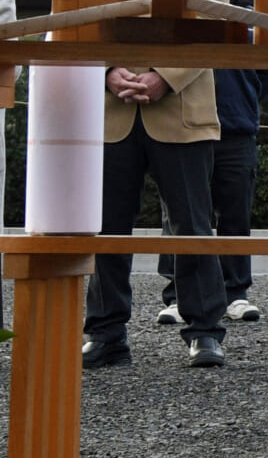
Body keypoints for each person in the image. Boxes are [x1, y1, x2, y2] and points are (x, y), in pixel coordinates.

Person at [85, 66, 228, 369]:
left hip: (183, 106)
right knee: (106, 227)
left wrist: (167, 75)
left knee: (192, 224)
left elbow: (213, 20)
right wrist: (106, 70)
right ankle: (106, 331)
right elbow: (78, 22)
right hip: (109, 110)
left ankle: (204, 329)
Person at [157, 55, 268, 327]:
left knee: (236, 212)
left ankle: (235, 293)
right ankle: (178, 295)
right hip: (186, 125)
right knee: (181, 212)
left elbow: (267, 71)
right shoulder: (187, 18)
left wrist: (244, 100)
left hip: (237, 126)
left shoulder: (247, 20)